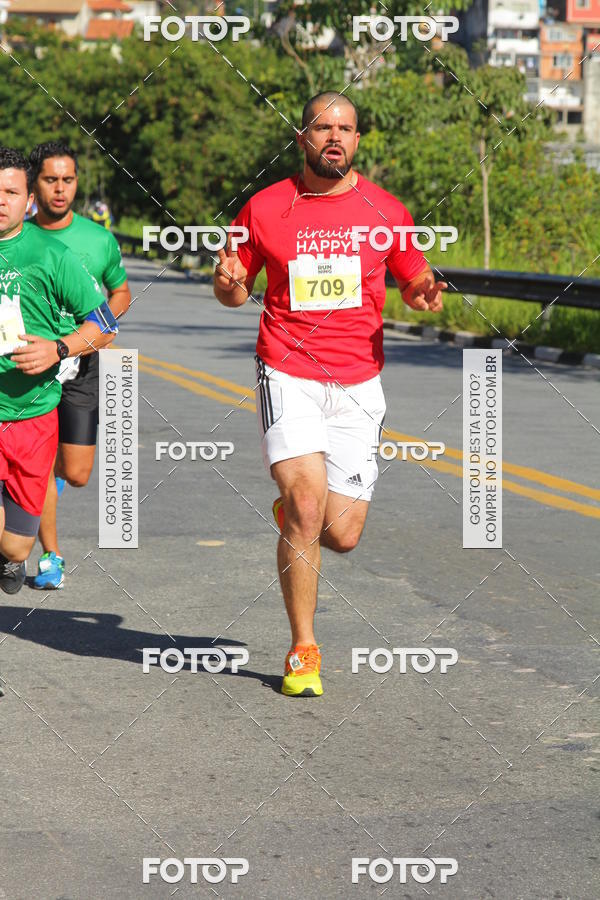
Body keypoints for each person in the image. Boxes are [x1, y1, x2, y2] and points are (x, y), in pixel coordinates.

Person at [213, 92, 446, 698]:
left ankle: (296, 515)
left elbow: (412, 274)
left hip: (359, 382)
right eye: (324, 128)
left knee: (340, 533)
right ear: (303, 139)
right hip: (287, 371)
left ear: (358, 141)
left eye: (345, 128)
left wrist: (421, 291)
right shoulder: (265, 208)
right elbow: (235, 292)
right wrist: (229, 282)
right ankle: (303, 649)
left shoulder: (386, 210)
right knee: (310, 509)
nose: (335, 137)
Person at [0, 147, 119, 595]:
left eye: (11, 192)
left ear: (27, 201)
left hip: (33, 415)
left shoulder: (51, 254)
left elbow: (105, 323)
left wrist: (58, 348)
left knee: (14, 547)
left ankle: (15, 557)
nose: (1, 201)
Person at [28, 142, 131, 590]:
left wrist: (100, 321)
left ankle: (28, 493)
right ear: (34, 184)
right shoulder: (17, 236)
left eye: (67, 180)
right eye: (50, 180)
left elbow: (120, 292)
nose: (60, 189)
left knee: (76, 472)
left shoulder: (98, 239)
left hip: (81, 363)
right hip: (31, 365)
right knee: (42, 463)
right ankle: (50, 555)